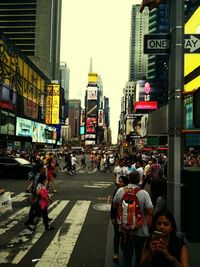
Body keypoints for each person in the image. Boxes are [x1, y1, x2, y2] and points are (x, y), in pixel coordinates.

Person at [113, 171, 154, 267]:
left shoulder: (120, 191)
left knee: (127, 256)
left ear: (129, 179)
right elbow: (151, 211)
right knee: (139, 255)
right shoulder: (144, 193)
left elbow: (114, 205)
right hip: (140, 231)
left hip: (124, 230)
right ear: (139, 180)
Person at [110, 175, 129, 262]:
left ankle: (123, 252)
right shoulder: (117, 191)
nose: (119, 183)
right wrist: (112, 217)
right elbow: (113, 206)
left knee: (123, 236)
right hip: (119, 217)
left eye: (121, 182)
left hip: (126, 218)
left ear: (125, 183)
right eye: (119, 181)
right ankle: (116, 253)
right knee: (117, 235)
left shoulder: (127, 191)